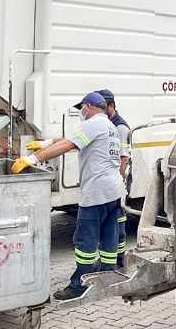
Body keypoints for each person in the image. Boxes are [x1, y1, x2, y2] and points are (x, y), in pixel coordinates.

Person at [11, 91, 122, 300]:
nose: (81, 112)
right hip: (113, 190)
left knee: (85, 240)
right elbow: (72, 138)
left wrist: (34, 158)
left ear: (88, 107)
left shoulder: (93, 124)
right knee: (109, 234)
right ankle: (107, 273)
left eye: (81, 108)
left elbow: (69, 144)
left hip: (96, 192)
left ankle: (79, 284)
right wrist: (45, 143)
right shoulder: (108, 126)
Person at [96, 89, 130, 268]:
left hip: (119, 181)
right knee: (113, 221)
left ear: (112, 106)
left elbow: (124, 158)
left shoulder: (120, 127)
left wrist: (117, 182)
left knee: (118, 222)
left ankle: (119, 258)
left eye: (104, 108)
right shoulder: (108, 125)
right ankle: (114, 257)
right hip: (114, 181)